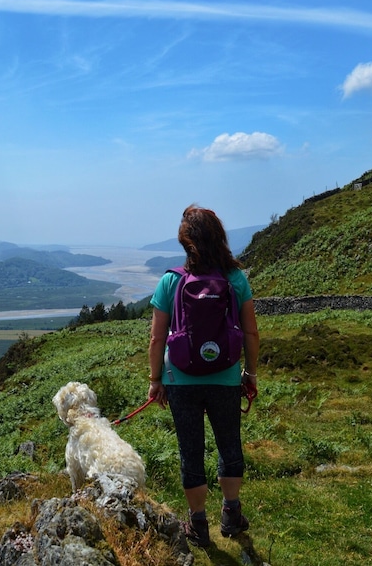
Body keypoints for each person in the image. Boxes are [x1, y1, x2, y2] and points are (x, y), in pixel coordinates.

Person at [148, 205, 260, 548]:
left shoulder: (171, 280)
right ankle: (230, 515)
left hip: (181, 379)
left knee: (190, 451)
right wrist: (250, 373)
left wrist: (156, 381)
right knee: (229, 445)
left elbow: (156, 337)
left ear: (186, 241)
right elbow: (251, 333)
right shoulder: (235, 279)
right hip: (226, 377)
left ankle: (198, 526)